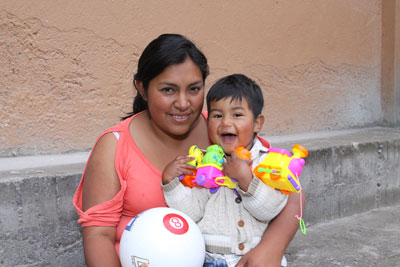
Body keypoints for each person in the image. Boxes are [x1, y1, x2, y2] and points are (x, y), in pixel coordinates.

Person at [73, 33, 305, 267]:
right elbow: (98, 235)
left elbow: (291, 190)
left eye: (194, 89)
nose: (183, 103)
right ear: (142, 89)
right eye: (168, 90)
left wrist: (270, 249)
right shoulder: (114, 145)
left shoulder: (222, 131)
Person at [161, 74, 289, 267]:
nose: (226, 123)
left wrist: (246, 179)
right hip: (209, 258)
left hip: (254, 258)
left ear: (257, 123)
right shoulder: (206, 164)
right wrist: (170, 183)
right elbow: (192, 213)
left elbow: (270, 210)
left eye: (237, 115)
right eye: (217, 115)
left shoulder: (268, 163)